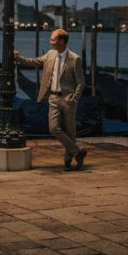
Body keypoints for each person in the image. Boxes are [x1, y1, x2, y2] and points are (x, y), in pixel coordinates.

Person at [14, 28, 88, 171]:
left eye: (53, 39)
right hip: (53, 98)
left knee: (70, 131)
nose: (50, 42)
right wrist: (18, 58)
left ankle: (68, 161)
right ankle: (77, 153)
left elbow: (81, 82)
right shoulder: (50, 54)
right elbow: (35, 61)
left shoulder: (75, 59)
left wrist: (74, 98)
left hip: (68, 99)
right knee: (53, 128)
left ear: (61, 41)